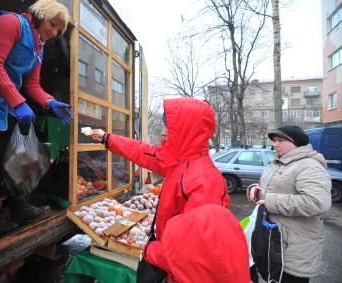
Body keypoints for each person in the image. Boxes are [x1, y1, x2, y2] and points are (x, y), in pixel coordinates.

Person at [91, 98, 249, 282]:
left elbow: (197, 250)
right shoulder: (179, 159)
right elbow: (142, 151)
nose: (164, 132)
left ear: (187, 131)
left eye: (170, 127)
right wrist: (107, 138)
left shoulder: (205, 181)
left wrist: (152, 251)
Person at [0, 0, 73, 235]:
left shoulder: (39, 47)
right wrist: (19, 102)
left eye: (58, 29)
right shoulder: (11, 23)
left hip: (10, 106)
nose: (54, 32)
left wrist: (50, 102)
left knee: (17, 158)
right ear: (40, 14)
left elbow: (32, 84)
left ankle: (18, 206)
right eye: (52, 24)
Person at [247, 125, 332, 283]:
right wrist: (255, 189)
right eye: (274, 140)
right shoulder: (278, 163)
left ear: (296, 143)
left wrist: (270, 201)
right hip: (274, 242)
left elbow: (316, 202)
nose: (275, 144)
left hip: (295, 247)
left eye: (280, 140)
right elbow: (272, 188)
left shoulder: (310, 166)